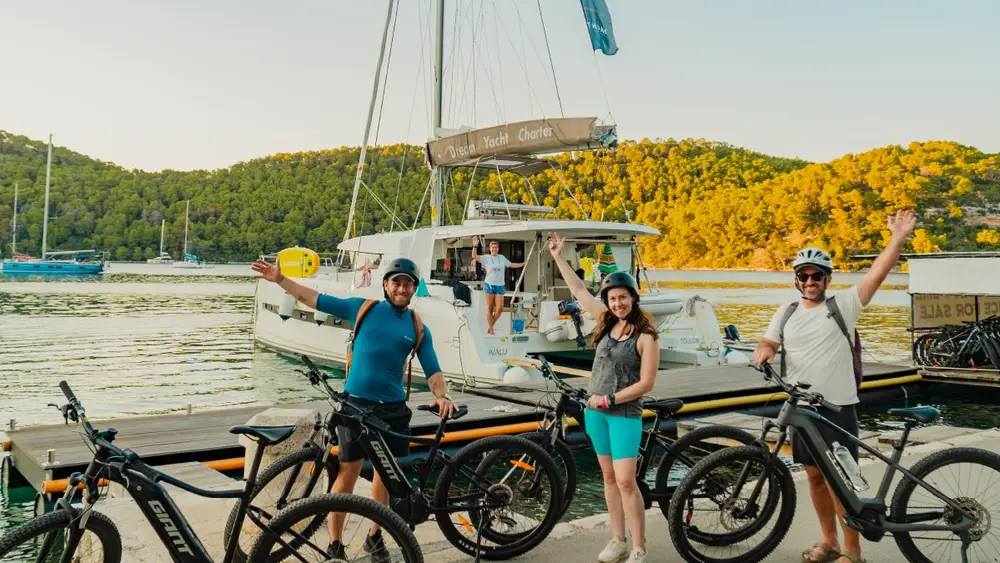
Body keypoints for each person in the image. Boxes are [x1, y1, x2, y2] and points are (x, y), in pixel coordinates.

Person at [251, 256, 456, 563]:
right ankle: (335, 544)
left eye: (407, 284)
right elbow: (314, 298)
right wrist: (280, 280)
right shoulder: (364, 308)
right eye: (396, 282)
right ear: (386, 285)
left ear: (414, 289)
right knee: (347, 471)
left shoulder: (416, 326)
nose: (401, 288)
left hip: (393, 411)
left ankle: (375, 536)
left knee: (387, 476)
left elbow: (433, 369)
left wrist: (442, 396)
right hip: (355, 405)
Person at [753, 210, 916, 563]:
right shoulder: (786, 312)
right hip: (802, 411)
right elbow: (769, 343)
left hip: (837, 408)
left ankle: (853, 551)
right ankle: (828, 542)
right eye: (804, 276)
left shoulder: (843, 305)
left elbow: (877, 273)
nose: (810, 281)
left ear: (827, 279)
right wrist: (763, 352)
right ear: (796, 279)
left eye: (817, 276)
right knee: (813, 478)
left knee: (839, 482)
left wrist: (897, 239)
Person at [548, 232, 658, 563]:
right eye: (612, 299)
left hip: (623, 413)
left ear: (633, 299)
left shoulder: (646, 336)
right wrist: (557, 256)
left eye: (623, 298)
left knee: (626, 481)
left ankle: (639, 546)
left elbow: (647, 384)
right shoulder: (605, 321)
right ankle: (618, 539)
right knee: (608, 478)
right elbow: (579, 290)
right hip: (594, 412)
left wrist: (610, 400)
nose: (617, 304)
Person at [471, 236, 525, 334]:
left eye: (496, 247)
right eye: (493, 247)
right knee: (490, 307)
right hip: (489, 284)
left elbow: (511, 264)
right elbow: (474, 256)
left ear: (498, 249)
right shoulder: (486, 258)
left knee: (500, 309)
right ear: (490, 249)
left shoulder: (502, 258)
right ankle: (491, 329)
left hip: (500, 285)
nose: (494, 249)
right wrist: (475, 246)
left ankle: (491, 325)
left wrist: (522, 264)